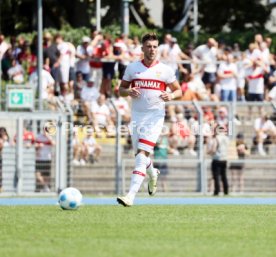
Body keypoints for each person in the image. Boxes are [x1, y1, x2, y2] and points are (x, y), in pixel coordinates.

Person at [116, 33, 182, 207]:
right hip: (137, 116)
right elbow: (121, 89)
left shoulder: (166, 70)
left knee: (142, 156)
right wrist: (128, 92)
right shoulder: (132, 68)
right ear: (142, 48)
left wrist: (171, 95)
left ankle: (130, 196)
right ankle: (153, 173)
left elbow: (179, 90)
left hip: (155, 117)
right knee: (140, 155)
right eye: (149, 46)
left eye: (155, 46)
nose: (152, 50)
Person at [207, 124, 230, 196]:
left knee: (216, 176)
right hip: (224, 159)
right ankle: (226, 191)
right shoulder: (226, 138)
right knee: (224, 176)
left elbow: (213, 149)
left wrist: (209, 152)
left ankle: (217, 191)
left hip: (217, 159)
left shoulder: (216, 138)